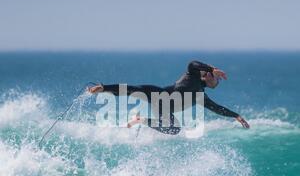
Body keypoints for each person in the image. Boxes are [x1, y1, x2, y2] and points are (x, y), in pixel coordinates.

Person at [88, 60, 250, 135]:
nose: (218, 81)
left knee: (174, 129)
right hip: (160, 95)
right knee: (133, 90)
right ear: (208, 76)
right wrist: (212, 67)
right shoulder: (193, 76)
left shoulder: (201, 96)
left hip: (164, 110)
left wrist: (235, 115)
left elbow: (217, 108)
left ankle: (143, 120)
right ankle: (102, 88)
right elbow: (192, 64)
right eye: (217, 79)